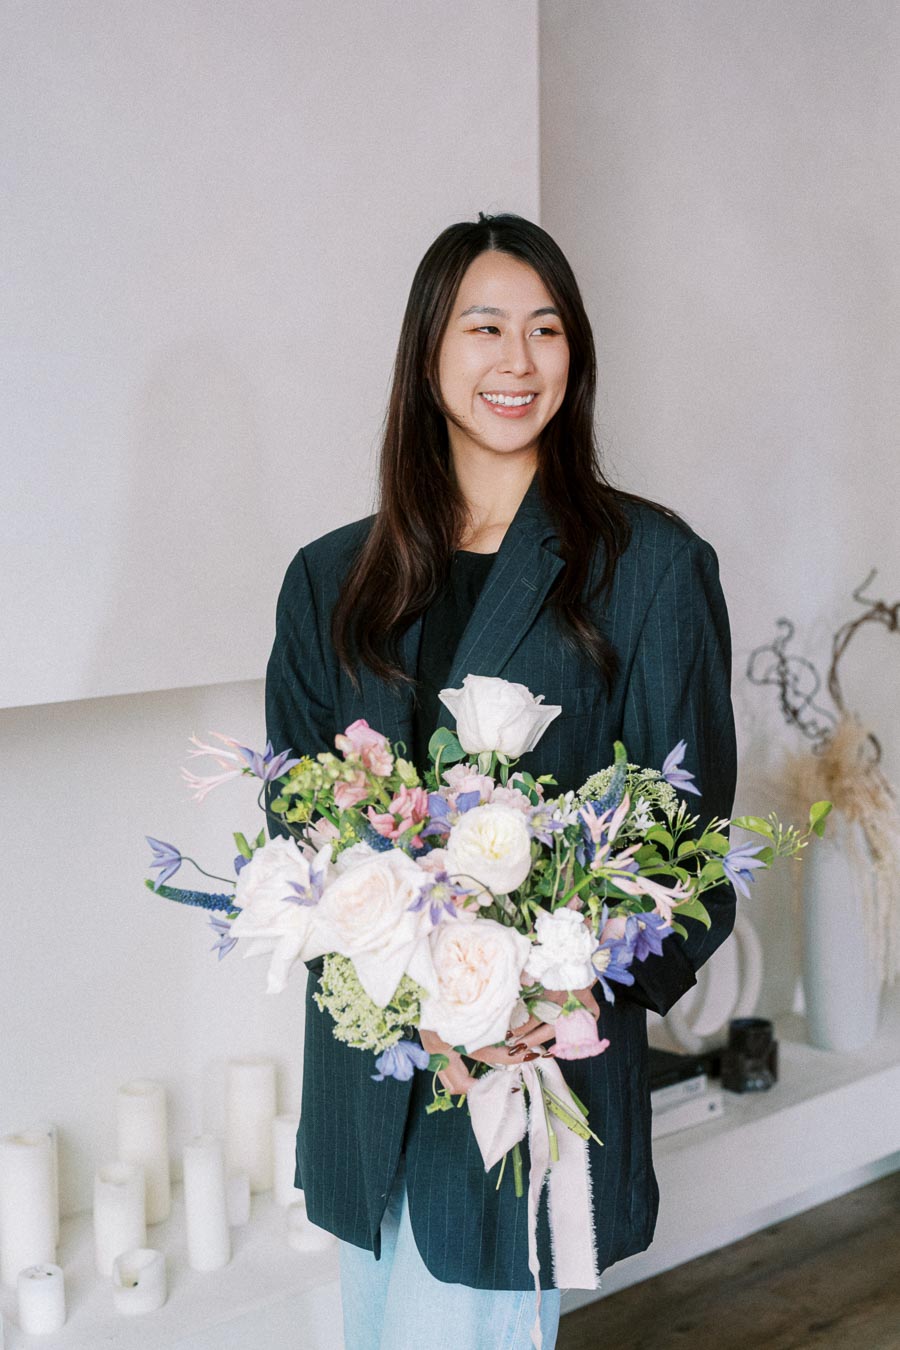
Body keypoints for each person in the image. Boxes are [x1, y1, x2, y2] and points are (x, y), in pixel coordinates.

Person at [265, 211, 738, 1350]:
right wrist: (387, 964)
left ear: (575, 355)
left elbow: (691, 852)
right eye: (485, 326)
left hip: (520, 1092)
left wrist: (551, 1000)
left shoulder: (650, 567)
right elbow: (293, 824)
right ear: (430, 354)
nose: (517, 361)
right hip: (366, 1098)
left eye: (546, 329)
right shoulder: (332, 578)